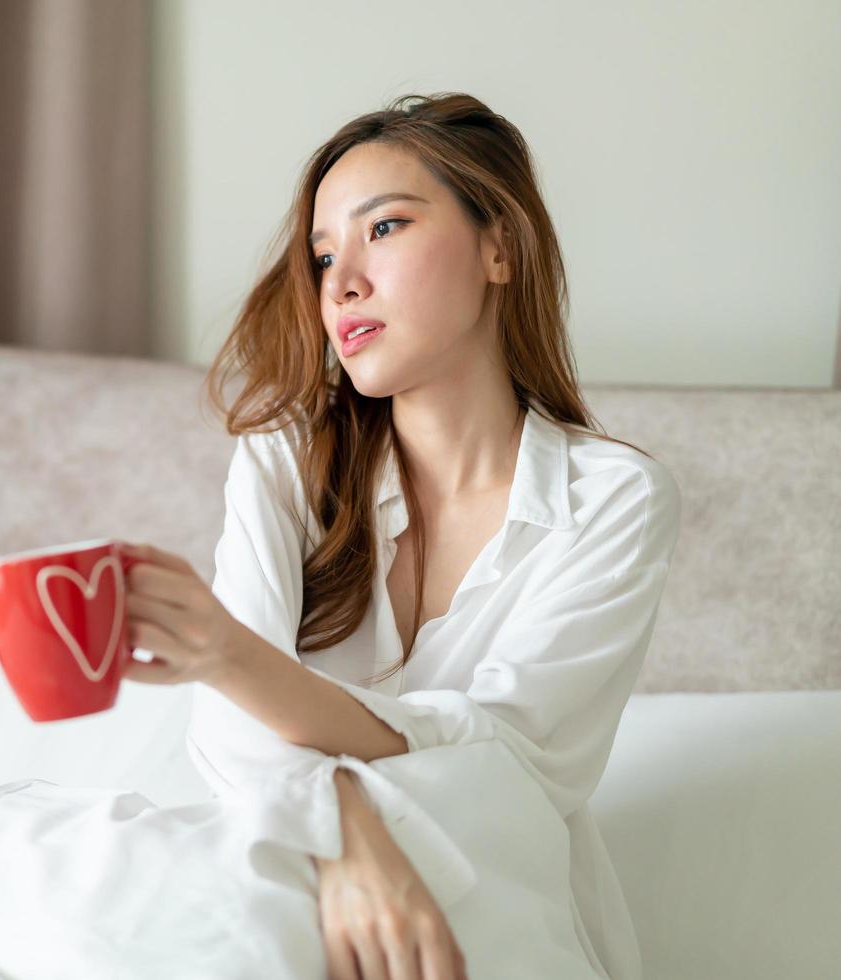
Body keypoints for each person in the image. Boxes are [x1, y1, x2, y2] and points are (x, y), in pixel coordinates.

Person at [118, 92, 680, 980]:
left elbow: (507, 758)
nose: (340, 282)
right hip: (269, 873)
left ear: (499, 246)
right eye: (324, 254)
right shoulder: (284, 461)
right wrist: (348, 833)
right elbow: (229, 734)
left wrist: (233, 658)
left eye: (383, 229)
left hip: (490, 905)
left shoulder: (612, 500)